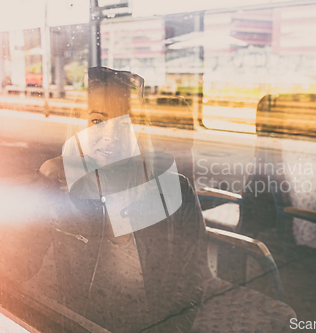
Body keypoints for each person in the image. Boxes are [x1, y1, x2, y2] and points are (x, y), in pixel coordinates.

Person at [38, 67, 209, 333]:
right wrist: (42, 182)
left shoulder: (176, 192)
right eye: (97, 121)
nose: (110, 135)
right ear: (78, 127)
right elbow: (21, 269)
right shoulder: (59, 193)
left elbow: (191, 286)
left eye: (124, 123)